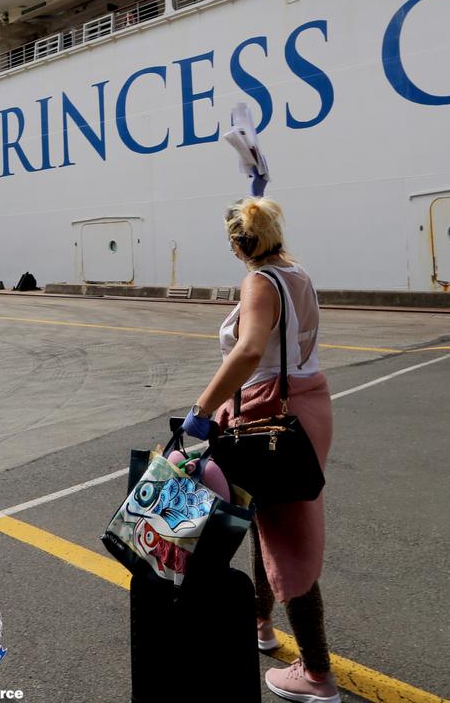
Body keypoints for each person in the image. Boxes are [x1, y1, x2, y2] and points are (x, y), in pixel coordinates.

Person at [182, 197, 340, 703]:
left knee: (288, 538)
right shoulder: (296, 273)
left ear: (236, 244)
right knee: (262, 513)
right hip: (305, 406)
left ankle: (317, 676)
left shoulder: (258, 282)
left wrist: (203, 408)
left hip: (270, 413)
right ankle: (260, 622)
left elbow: (251, 350)